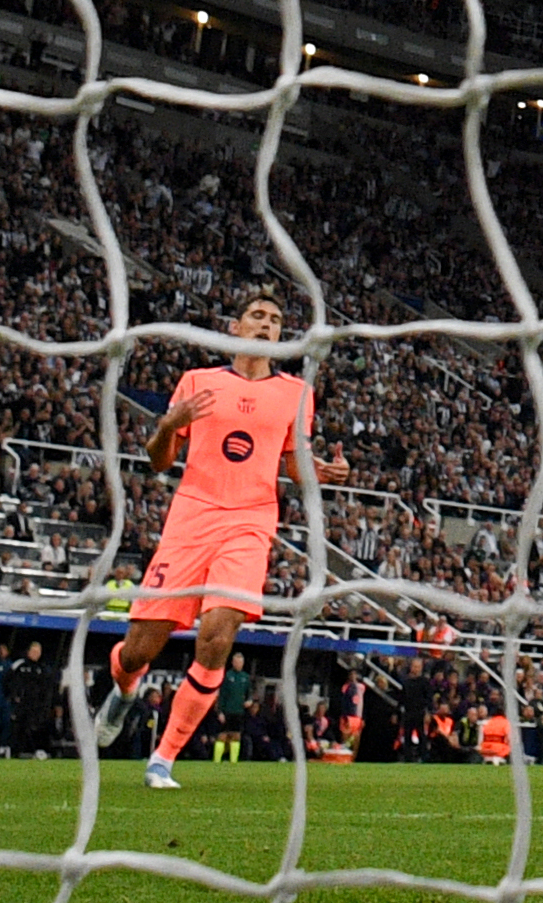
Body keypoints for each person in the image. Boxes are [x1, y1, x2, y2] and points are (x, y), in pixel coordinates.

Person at [89, 290, 351, 788]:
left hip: (250, 523)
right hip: (190, 520)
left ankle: (162, 759)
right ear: (235, 327)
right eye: (256, 315)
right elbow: (160, 460)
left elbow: (295, 469)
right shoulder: (199, 382)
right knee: (139, 649)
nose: (266, 325)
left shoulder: (297, 393)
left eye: (275, 320)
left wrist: (323, 470)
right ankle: (123, 691)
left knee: (217, 637)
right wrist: (168, 425)